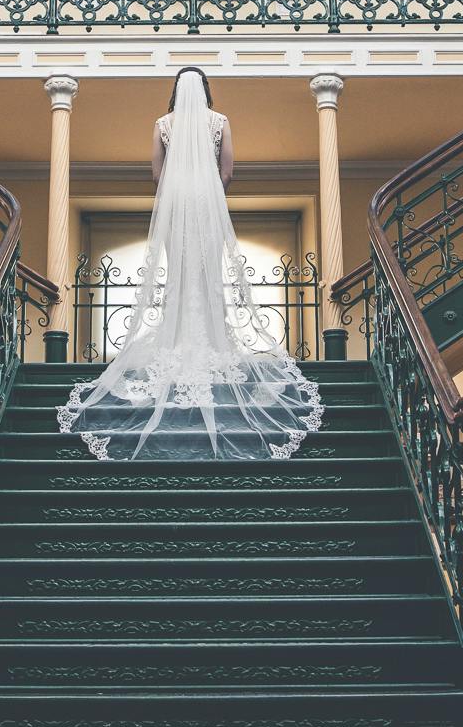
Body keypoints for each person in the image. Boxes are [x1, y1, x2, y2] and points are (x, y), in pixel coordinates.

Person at [57, 68, 323, 460]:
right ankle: (212, 342)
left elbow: (155, 174)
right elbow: (228, 171)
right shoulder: (220, 122)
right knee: (208, 274)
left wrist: (174, 199)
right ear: (206, 91)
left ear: (175, 93)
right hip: (206, 201)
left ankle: (178, 340)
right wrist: (212, 198)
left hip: (177, 202)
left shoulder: (163, 124)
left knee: (179, 273)